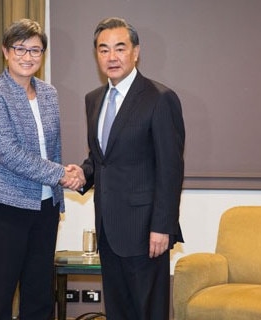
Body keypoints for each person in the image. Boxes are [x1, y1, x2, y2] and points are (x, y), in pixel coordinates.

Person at [0, 18, 84, 320]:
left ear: (42, 55)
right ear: (5, 52)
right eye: (20, 49)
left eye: (35, 50)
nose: (27, 56)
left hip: (45, 206)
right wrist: (60, 174)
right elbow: (8, 152)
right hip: (3, 208)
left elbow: (51, 146)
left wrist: (64, 176)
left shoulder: (49, 93)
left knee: (38, 299)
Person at [79, 17, 185, 320]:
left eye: (120, 48)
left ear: (135, 52)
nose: (111, 57)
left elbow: (171, 169)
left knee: (148, 312)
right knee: (118, 311)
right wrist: (82, 175)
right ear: (97, 55)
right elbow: (101, 159)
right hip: (109, 229)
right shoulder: (93, 100)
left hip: (145, 231)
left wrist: (162, 227)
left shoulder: (160, 99)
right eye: (103, 50)